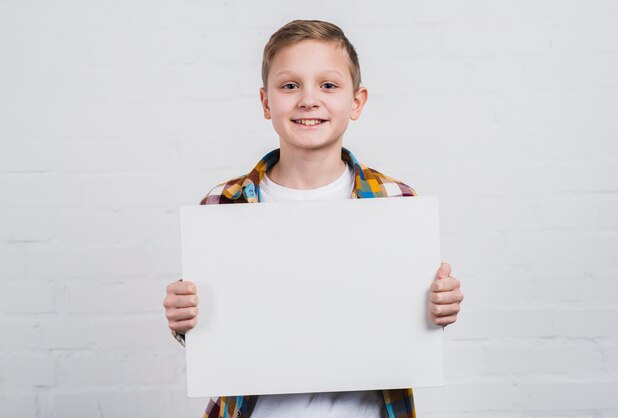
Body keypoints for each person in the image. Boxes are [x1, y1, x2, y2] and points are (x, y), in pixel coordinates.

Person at [163, 19, 463, 418]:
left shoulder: (397, 202)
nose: (308, 99)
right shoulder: (223, 205)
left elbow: (407, 325)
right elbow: (217, 337)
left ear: (356, 102)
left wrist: (438, 309)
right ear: (266, 102)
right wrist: (185, 321)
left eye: (328, 85)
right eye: (290, 86)